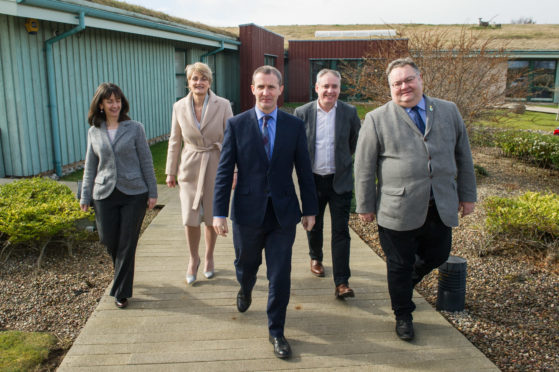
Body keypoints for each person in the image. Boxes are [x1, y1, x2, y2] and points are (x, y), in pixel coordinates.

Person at [354, 57, 477, 341]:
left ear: (420, 79)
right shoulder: (376, 118)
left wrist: (467, 195)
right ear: (390, 88)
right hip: (397, 207)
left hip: (440, 204)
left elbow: (464, 156)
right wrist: (365, 205)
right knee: (398, 264)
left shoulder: (448, 110)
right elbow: (364, 166)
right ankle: (403, 315)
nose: (404, 86)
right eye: (397, 83)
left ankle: (404, 285)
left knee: (439, 254)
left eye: (409, 79)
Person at [212, 65, 318, 359]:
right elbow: (224, 173)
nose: (266, 92)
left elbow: (304, 171)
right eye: (261, 87)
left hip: (283, 213)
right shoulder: (237, 125)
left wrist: (310, 209)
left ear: (280, 90)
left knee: (280, 274)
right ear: (252, 89)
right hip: (247, 211)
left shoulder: (293, 125)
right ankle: (245, 288)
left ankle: (276, 332)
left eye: (272, 87)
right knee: (246, 265)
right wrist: (218, 212)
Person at [80, 82, 158, 309]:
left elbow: (146, 161)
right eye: (109, 101)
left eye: (118, 100)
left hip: (134, 192)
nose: (115, 105)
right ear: (101, 105)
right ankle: (122, 275)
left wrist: (153, 192)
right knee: (108, 239)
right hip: (104, 193)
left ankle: (121, 291)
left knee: (127, 241)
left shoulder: (135, 128)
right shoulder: (94, 131)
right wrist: (85, 196)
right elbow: (90, 166)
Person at [294, 69, 361, 298]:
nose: (330, 91)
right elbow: (296, 147)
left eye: (334, 87)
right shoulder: (301, 113)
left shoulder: (350, 113)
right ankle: (316, 257)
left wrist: (342, 161)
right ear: (317, 88)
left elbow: (355, 144)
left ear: (339, 89)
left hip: (339, 181)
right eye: (326, 86)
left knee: (341, 231)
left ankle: (342, 282)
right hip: (312, 181)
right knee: (314, 224)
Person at [165, 62, 233, 284]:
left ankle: (210, 256)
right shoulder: (178, 107)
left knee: (212, 215)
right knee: (190, 216)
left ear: (209, 82)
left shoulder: (222, 105)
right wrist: (170, 171)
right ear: (188, 82)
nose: (199, 82)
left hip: (216, 162)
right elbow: (175, 141)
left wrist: (235, 170)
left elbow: (232, 141)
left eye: (203, 78)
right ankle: (193, 259)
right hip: (190, 165)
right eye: (195, 78)